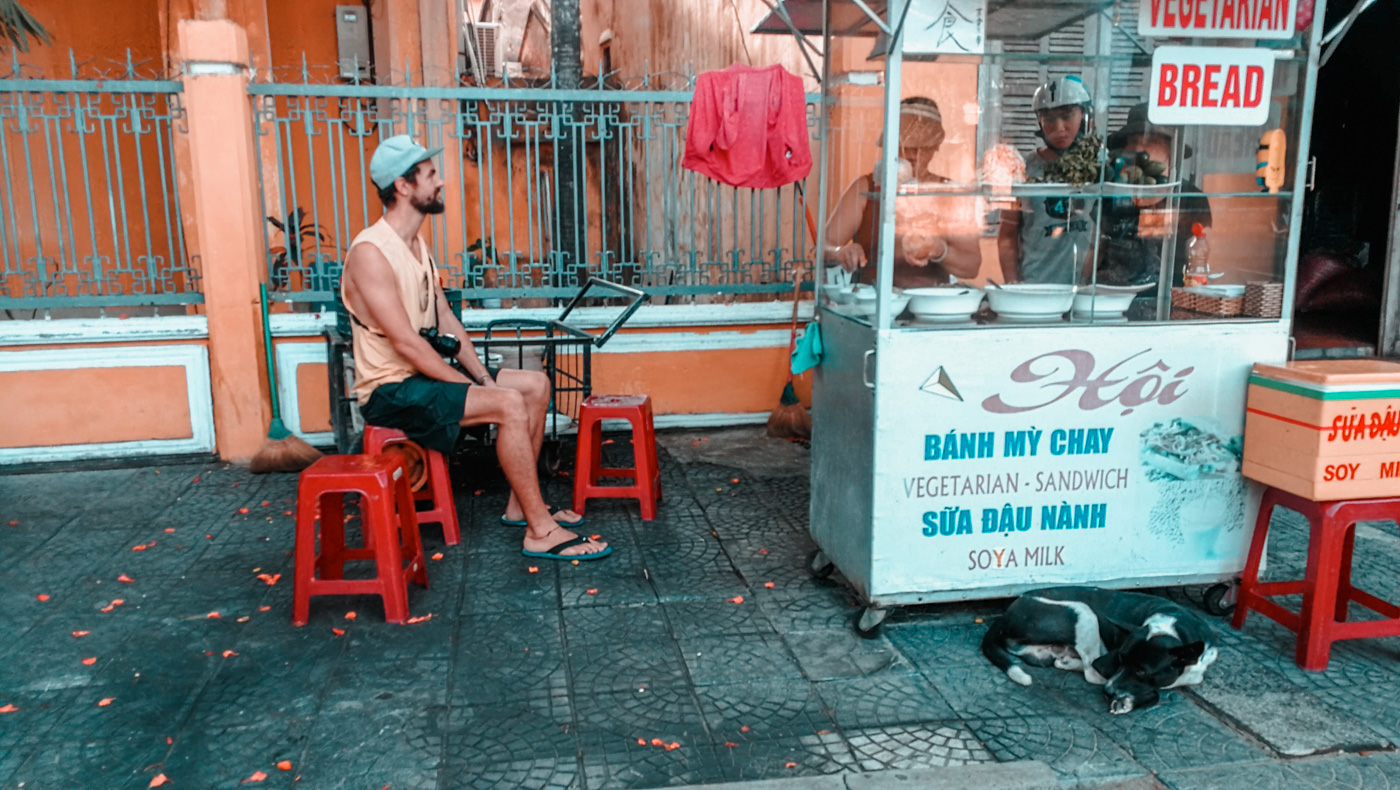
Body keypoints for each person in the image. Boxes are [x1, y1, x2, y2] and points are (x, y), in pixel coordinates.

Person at [341, 135, 610, 561]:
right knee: (506, 404)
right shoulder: (371, 252)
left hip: (421, 378)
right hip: (391, 391)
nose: (441, 182)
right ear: (403, 186)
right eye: (431, 175)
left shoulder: (416, 246)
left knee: (535, 386)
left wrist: (481, 378)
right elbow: (407, 343)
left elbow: (445, 319)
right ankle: (541, 531)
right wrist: (473, 389)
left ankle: (521, 506)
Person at [824, 97, 981, 288]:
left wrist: (940, 250)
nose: (913, 153)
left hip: (932, 307)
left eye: (922, 145)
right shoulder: (866, 188)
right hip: (872, 302)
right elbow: (822, 247)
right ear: (891, 143)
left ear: (936, 146)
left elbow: (972, 266)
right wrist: (840, 251)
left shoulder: (951, 194)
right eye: (906, 144)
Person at [1096, 103, 1213, 297]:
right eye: (1134, 140)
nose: (1140, 148)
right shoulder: (1111, 195)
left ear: (1170, 150)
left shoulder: (1192, 199)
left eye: (1150, 141)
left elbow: (1202, 257)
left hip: (1172, 301)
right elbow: (1095, 252)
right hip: (1112, 302)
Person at [998, 75, 1098, 285]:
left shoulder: (1101, 166)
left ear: (1086, 116)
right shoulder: (1023, 170)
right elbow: (1007, 236)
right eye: (1050, 118)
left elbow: (1103, 233)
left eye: (1067, 115)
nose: (1059, 127)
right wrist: (1013, 286)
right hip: (1035, 286)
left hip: (1085, 290)